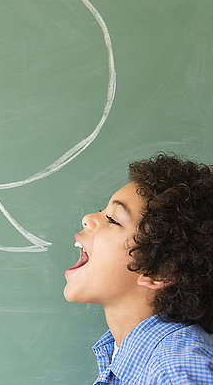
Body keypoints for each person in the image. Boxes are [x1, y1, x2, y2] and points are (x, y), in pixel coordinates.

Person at [64, 153, 213, 384]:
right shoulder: (129, 357)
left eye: (113, 219)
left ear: (158, 272)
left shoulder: (175, 370)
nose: (88, 218)